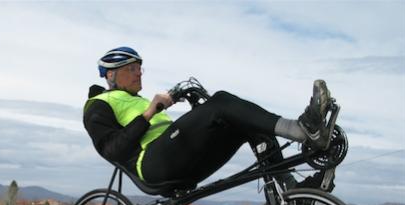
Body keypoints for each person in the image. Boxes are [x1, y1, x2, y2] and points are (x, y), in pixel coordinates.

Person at [83, 46, 336, 191]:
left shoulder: (136, 99)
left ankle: (293, 192)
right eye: (132, 69)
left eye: (140, 68)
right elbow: (112, 150)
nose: (139, 74)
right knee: (222, 100)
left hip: (177, 159)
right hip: (152, 166)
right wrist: (150, 112)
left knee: (249, 122)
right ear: (111, 75)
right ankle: (303, 130)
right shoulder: (98, 105)